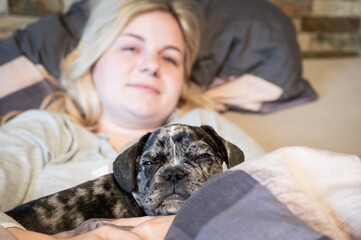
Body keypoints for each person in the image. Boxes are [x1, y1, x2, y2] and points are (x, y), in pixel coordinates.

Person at [0, 0, 265, 239]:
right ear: (93, 58)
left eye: (169, 57)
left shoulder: (206, 123)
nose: (151, 65)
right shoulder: (45, 128)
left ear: (182, 79)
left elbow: (282, 191)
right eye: (131, 47)